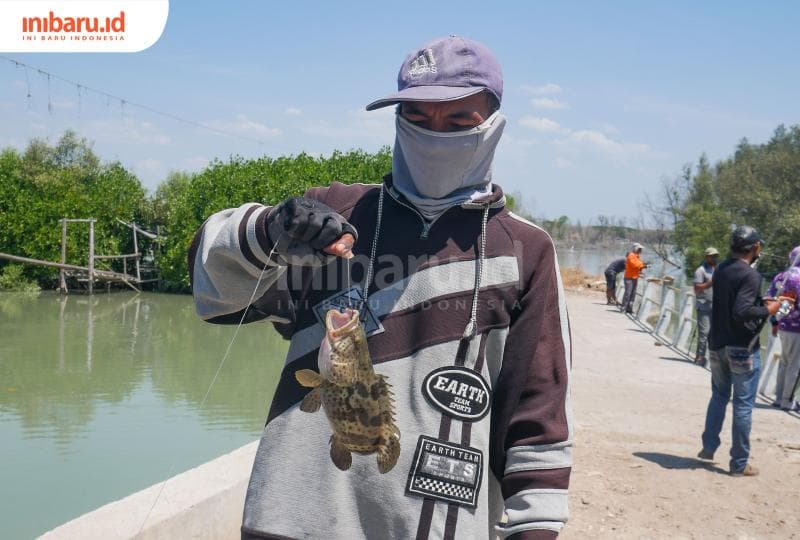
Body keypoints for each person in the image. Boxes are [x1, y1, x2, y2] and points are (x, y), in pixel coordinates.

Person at [190, 36, 572, 539]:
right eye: (417, 116)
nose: (435, 132)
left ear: (493, 126)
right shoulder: (335, 214)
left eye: (459, 121)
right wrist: (269, 229)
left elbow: (536, 416)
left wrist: (533, 529)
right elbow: (213, 294)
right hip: (288, 524)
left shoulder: (525, 250)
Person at [697, 225, 786, 476]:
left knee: (718, 396)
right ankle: (738, 464)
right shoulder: (751, 276)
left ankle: (708, 447)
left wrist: (759, 303)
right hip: (741, 348)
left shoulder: (722, 268)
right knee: (744, 405)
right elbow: (741, 311)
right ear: (755, 247)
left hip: (717, 345)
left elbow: (733, 302)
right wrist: (770, 309)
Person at [767, 245, 800, 411]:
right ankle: (788, 400)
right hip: (797, 328)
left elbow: (770, 297)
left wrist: (775, 320)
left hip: (782, 325)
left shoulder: (781, 276)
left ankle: (779, 397)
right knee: (795, 365)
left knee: (784, 362)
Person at [692, 247, 719, 367]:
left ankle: (711, 359)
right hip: (703, 306)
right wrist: (710, 282)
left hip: (716, 306)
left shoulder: (718, 270)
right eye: (712, 256)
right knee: (704, 333)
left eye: (716, 256)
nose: (714, 258)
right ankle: (700, 357)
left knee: (714, 334)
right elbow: (697, 288)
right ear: (707, 257)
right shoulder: (700, 271)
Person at [620, 243, 647, 314]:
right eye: (639, 249)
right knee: (628, 293)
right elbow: (635, 265)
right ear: (636, 248)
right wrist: (643, 265)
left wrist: (644, 266)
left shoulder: (637, 256)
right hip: (629, 278)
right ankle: (623, 308)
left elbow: (639, 265)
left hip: (634, 277)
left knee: (633, 294)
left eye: (641, 249)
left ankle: (629, 309)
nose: (640, 250)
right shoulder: (631, 255)